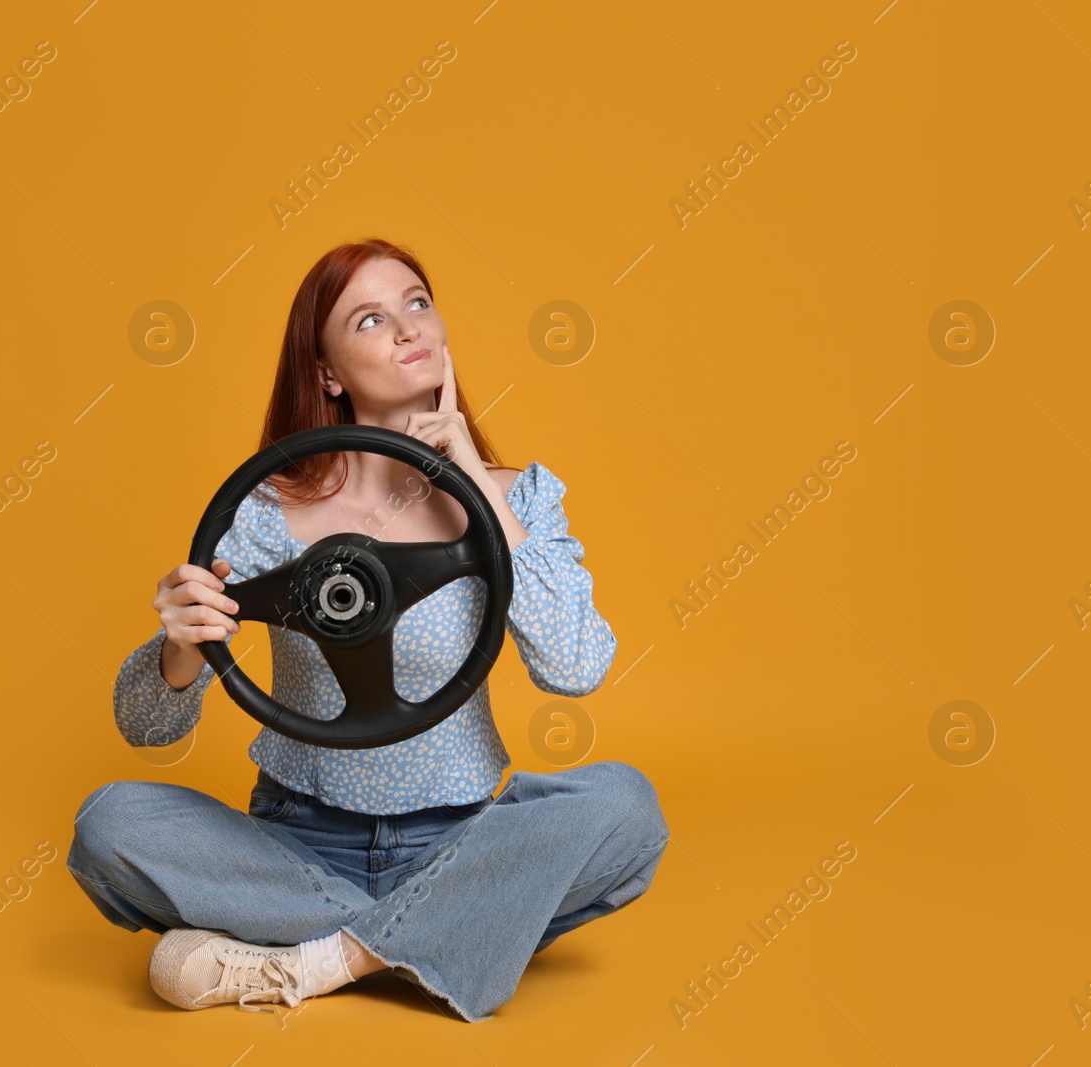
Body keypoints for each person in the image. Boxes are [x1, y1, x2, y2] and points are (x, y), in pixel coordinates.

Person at [67, 238, 669, 1023]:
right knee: (108, 822)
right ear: (327, 373)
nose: (407, 328)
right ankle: (443, 937)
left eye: (418, 302)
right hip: (293, 846)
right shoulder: (267, 511)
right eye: (371, 319)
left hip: (463, 841)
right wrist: (182, 644)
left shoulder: (518, 499)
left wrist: (480, 495)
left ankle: (321, 961)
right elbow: (145, 726)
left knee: (626, 807)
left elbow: (577, 665)